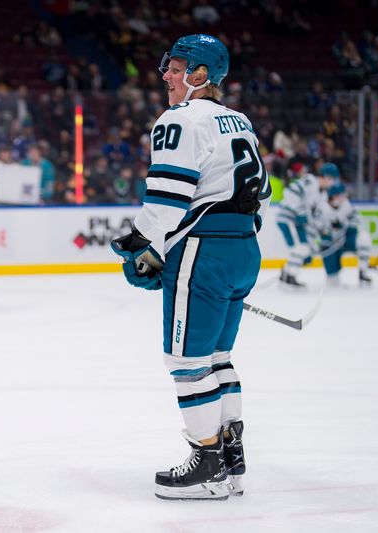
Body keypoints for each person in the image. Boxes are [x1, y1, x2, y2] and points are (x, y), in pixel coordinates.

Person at [110, 34, 271, 501]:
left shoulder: (180, 118)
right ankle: (231, 460)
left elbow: (167, 195)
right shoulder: (239, 120)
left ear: (199, 75)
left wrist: (142, 244)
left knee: (186, 361)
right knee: (216, 358)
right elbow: (260, 194)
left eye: (175, 67)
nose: (165, 75)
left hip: (204, 250)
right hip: (244, 247)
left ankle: (208, 466)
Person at [275, 162, 336, 288]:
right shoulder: (310, 181)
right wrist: (300, 210)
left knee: (305, 249)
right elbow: (290, 191)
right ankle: (288, 276)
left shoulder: (323, 195)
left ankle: (288, 275)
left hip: (297, 222)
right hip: (288, 219)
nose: (333, 183)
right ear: (326, 176)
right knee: (300, 248)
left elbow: (316, 216)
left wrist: (323, 230)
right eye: (332, 179)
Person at [317, 182, 373, 286]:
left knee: (364, 238)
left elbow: (356, 218)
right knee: (332, 282)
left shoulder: (346, 204)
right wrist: (328, 230)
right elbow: (317, 225)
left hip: (345, 239)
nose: (343, 198)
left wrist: (349, 227)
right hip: (330, 243)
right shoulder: (322, 208)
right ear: (333, 196)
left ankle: (363, 272)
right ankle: (332, 275)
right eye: (341, 195)